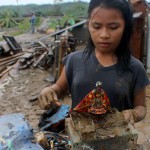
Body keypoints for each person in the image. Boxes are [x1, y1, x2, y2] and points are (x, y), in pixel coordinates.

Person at [38, 0, 150, 125]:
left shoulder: (135, 68)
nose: (104, 35)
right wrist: (48, 91)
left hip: (117, 140)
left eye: (113, 27)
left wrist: (134, 114)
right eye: (97, 26)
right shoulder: (74, 60)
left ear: (126, 27)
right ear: (89, 25)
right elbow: (58, 88)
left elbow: (141, 107)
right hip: (80, 137)